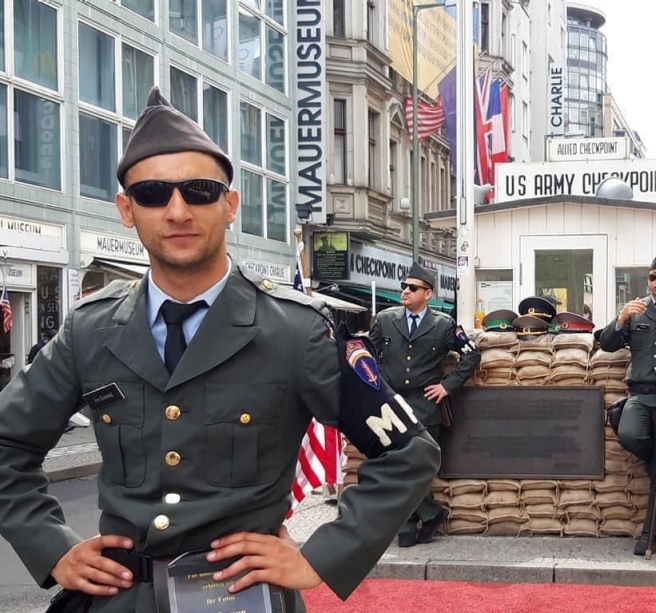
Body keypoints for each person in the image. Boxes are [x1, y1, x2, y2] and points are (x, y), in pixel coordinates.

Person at [0, 88, 440, 613]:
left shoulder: (296, 332)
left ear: (230, 205)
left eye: (200, 191)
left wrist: (322, 556)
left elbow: (409, 452)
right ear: (126, 209)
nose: (178, 210)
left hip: (240, 598)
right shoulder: (90, 330)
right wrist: (53, 548)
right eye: (154, 194)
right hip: (117, 599)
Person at [369, 263, 481, 547]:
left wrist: (447, 386)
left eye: (412, 288)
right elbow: (369, 354)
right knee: (396, 465)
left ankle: (421, 518)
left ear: (428, 294)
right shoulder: (384, 319)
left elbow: (471, 355)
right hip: (391, 404)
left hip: (425, 406)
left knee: (418, 465)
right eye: (403, 287)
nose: (405, 291)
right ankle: (420, 517)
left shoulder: (443, 325)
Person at [599, 250, 656, 556]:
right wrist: (620, 319)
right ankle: (655, 459)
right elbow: (606, 344)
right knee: (630, 433)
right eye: (653, 277)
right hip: (641, 394)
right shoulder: (636, 310)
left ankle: (650, 535)